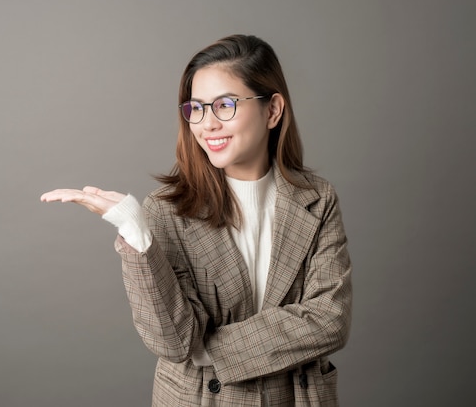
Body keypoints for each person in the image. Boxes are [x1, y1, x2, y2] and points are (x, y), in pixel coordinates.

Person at [41, 34, 352, 406]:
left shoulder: (317, 199)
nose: (207, 124)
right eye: (196, 108)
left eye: (224, 105)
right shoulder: (166, 209)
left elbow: (330, 319)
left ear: (272, 110)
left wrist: (213, 351)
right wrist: (136, 233)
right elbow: (175, 342)